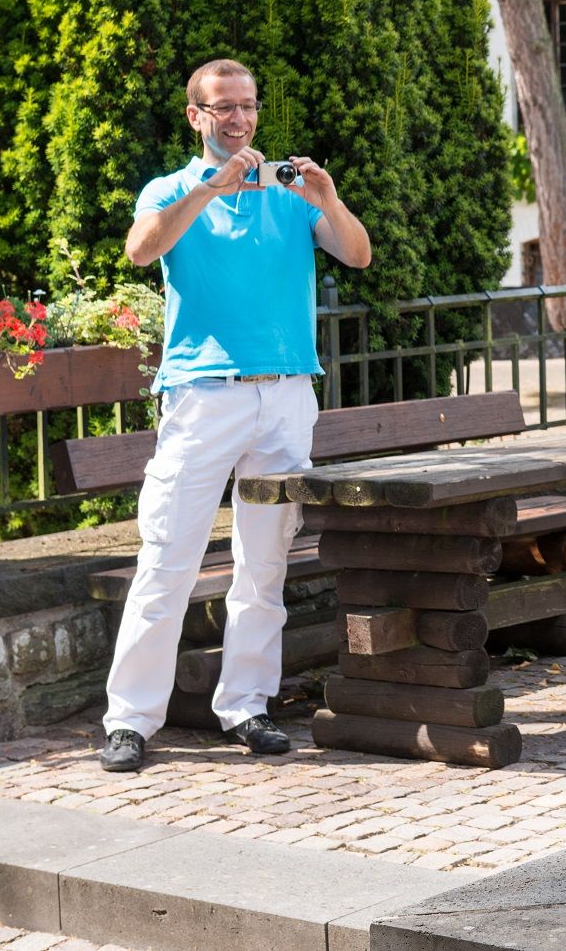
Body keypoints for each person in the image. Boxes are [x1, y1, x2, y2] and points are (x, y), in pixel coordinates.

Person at [99, 57, 372, 773]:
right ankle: (130, 720)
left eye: (248, 106)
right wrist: (208, 187)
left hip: (285, 395)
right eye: (224, 107)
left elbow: (357, 255)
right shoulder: (171, 189)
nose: (240, 119)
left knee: (265, 563)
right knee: (168, 559)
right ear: (197, 116)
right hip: (204, 396)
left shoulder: (291, 193)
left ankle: (247, 705)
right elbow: (141, 250)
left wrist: (329, 197)